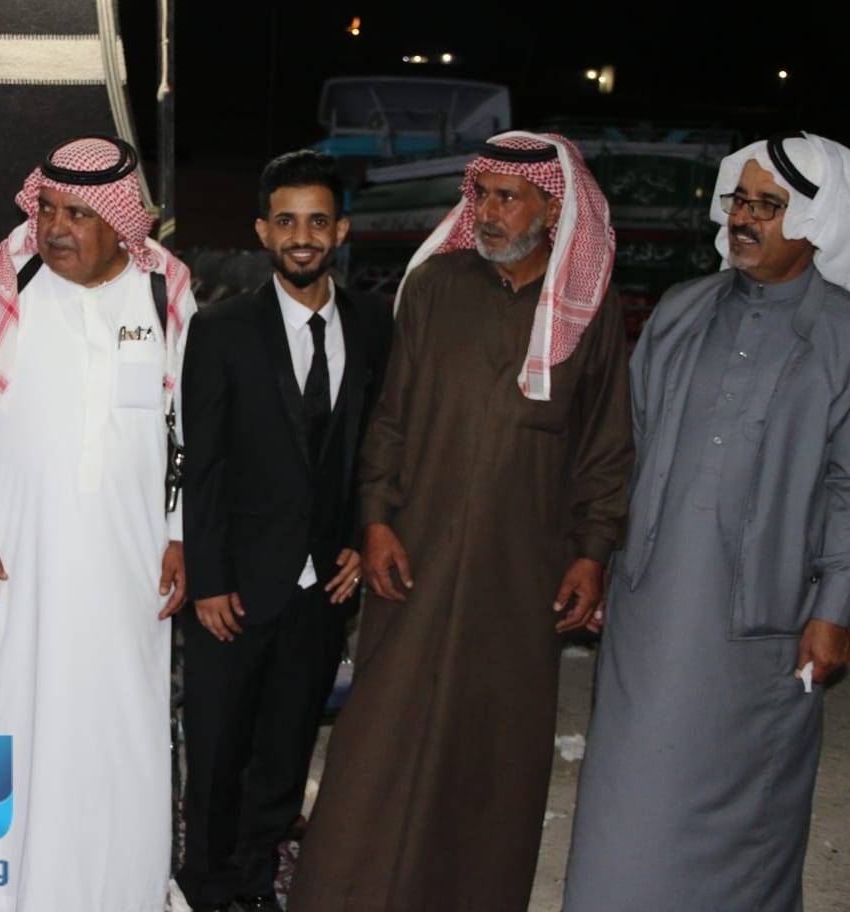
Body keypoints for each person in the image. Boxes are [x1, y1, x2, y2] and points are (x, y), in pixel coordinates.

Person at [288, 132, 632, 912]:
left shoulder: (589, 310)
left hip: (523, 567)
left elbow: (606, 445)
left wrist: (592, 553)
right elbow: (391, 418)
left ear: (554, 209)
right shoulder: (436, 285)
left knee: (493, 750)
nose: (489, 210)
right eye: (482, 194)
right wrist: (377, 520)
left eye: (509, 197)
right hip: (417, 553)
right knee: (381, 736)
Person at [565, 131, 850, 912]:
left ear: (818, 221)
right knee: (629, 799)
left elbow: (848, 487)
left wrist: (834, 610)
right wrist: (597, 555)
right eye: (739, 202)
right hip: (650, 608)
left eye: (768, 206)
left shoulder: (842, 337)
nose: (744, 219)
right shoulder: (682, 309)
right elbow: (625, 445)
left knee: (747, 809)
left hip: (766, 618)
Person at [0, 135, 196, 911]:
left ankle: (120, 893)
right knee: (12, 719)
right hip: (19, 554)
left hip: (130, 557)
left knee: (123, 726)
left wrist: (181, 531)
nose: (54, 227)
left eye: (78, 213)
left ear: (121, 221)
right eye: (47, 208)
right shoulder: (3, 284)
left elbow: (189, 430)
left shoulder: (165, 291)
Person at [177, 150, 391, 912]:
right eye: (288, 222)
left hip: (322, 588)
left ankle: (255, 881)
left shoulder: (374, 325)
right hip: (233, 589)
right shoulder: (221, 329)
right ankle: (205, 887)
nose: (303, 237)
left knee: (286, 749)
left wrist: (363, 536)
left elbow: (377, 447)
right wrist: (208, 580)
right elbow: (201, 464)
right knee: (216, 751)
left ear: (341, 231)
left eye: (318, 221)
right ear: (263, 231)